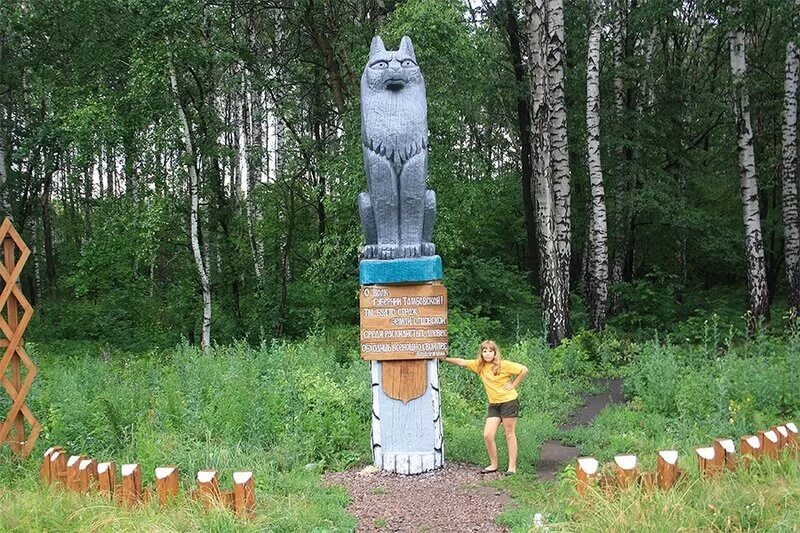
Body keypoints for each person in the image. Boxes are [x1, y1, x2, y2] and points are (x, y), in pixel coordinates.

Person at [444, 340, 528, 475]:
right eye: (485, 351)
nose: (487, 353)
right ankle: (494, 464)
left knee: (509, 434)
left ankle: (512, 467)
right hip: (494, 404)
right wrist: (444, 358)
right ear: (481, 353)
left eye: (490, 351)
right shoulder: (479, 366)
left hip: (509, 401)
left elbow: (524, 370)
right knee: (488, 435)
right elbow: (462, 362)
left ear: (495, 353)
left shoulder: (503, 365)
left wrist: (513, 385)